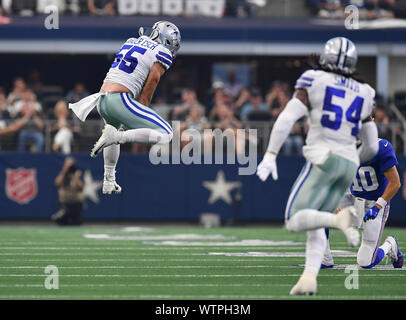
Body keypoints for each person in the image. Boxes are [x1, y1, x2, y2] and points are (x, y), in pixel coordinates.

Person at [256, 37, 379, 295]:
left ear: (327, 57)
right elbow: (372, 147)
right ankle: (309, 278)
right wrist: (354, 156)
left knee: (293, 219)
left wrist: (270, 154)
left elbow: (288, 116)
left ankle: (339, 220)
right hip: (348, 164)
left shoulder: (314, 78)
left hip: (323, 157)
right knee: (314, 223)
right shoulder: (366, 92)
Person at [69, 21, 180, 194]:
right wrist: (142, 105)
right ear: (165, 40)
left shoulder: (130, 41)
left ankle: (109, 180)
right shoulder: (162, 52)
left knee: (113, 128)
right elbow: (153, 80)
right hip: (120, 100)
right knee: (166, 134)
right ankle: (118, 136)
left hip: (102, 99)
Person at [322, 138, 403, 269]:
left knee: (365, 261)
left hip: (375, 202)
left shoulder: (381, 147)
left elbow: (395, 183)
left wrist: (378, 206)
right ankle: (325, 258)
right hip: (352, 197)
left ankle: (390, 245)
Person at [52, 157, 84, 226]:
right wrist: (64, 171)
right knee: (62, 222)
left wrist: (74, 176)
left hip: (76, 203)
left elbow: (81, 186)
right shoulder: (63, 174)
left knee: (76, 223)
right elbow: (57, 183)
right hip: (64, 203)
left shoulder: (78, 173)